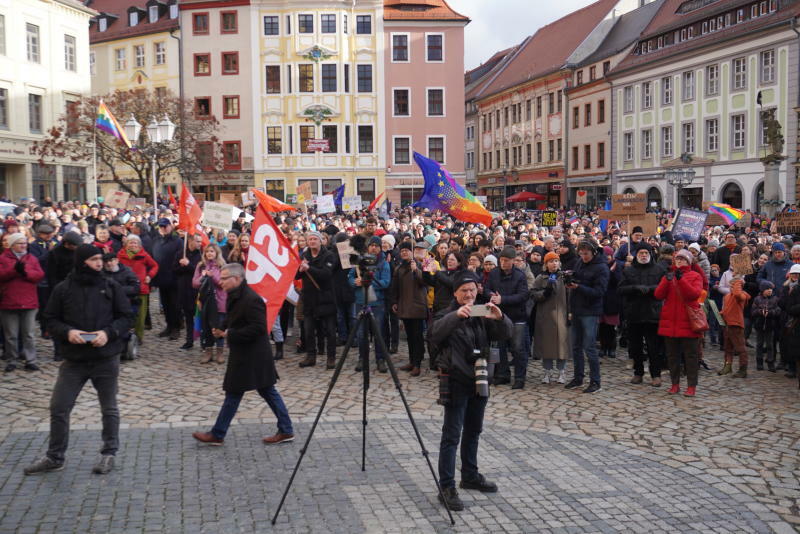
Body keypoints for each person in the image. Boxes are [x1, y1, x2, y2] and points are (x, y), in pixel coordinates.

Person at [25, 244, 132, 475]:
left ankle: (109, 453)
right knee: (59, 407)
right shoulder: (63, 289)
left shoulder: (111, 286)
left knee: (109, 408)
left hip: (105, 357)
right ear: (82, 261)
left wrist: (108, 333)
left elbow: (125, 318)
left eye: (100, 259)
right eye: (94, 259)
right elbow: (50, 319)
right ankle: (55, 456)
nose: (99, 263)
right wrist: (67, 333)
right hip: (74, 360)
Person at [430, 272, 512, 512]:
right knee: (451, 435)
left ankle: (470, 475)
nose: (469, 294)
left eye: (472, 290)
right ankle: (446, 486)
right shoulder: (446, 314)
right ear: (455, 293)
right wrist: (456, 316)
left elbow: (506, 334)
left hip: (480, 377)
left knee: (474, 430)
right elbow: (433, 335)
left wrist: (500, 317)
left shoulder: (481, 312)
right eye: (464, 290)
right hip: (456, 379)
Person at [192, 263, 294, 446]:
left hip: (254, 354)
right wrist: (221, 328)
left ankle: (218, 434)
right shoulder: (234, 295)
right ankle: (219, 433)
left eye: (224, 278)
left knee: (259, 391)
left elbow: (259, 328)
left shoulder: (251, 299)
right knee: (238, 392)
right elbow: (233, 317)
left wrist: (229, 334)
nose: (220, 281)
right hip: (243, 352)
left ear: (237, 279)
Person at [654, 248, 704, 397]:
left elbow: (694, 295)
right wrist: (666, 281)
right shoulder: (669, 275)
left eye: (683, 259)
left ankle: (691, 386)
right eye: (678, 259)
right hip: (671, 322)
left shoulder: (695, 276)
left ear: (688, 261)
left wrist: (681, 279)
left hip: (688, 322)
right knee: (672, 356)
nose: (679, 261)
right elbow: (658, 295)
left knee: (691, 356)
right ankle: (674, 384)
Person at [564, 240, 609, 394]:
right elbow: (577, 279)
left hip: (590, 311)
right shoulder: (579, 263)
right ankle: (578, 377)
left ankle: (596, 381)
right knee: (575, 346)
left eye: (586, 254)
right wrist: (570, 278)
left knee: (589, 347)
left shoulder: (601, 268)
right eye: (581, 254)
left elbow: (599, 292)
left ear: (593, 252)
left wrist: (579, 287)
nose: (583, 256)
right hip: (577, 309)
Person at [618, 243, 665, 386]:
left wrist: (650, 289)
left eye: (646, 253)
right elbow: (620, 289)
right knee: (635, 347)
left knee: (653, 347)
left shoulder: (659, 269)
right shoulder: (628, 270)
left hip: (653, 313)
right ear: (636, 255)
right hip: (634, 313)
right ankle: (638, 373)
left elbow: (664, 288)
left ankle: (655, 374)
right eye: (641, 253)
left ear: (650, 254)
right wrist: (635, 288)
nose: (644, 255)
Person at [483, 246, 530, 389]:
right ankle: (503, 375)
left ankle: (520, 378)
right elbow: (486, 289)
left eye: (506, 260)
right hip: (499, 316)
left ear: (513, 261)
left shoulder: (520, 275)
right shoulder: (494, 273)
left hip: (517, 317)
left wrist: (503, 299)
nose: (503, 263)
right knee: (500, 347)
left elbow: (523, 296)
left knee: (517, 348)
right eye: (501, 260)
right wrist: (491, 295)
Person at [0, 233, 45, 372]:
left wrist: (25, 272)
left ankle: (30, 360)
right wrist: (14, 270)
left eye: (25, 243)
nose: (23, 246)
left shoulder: (32, 258)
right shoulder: (3, 258)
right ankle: (12, 359)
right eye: (20, 243)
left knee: (29, 334)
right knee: (11, 335)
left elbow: (39, 275)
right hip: (9, 301)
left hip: (29, 301)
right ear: (12, 245)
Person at [347, 236, 391, 373]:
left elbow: (385, 282)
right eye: (371, 245)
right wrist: (355, 282)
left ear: (380, 247)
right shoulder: (360, 260)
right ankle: (362, 358)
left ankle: (380, 359)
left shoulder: (384, 263)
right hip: (361, 300)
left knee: (378, 332)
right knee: (361, 333)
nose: (374, 247)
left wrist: (369, 282)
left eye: (376, 245)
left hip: (377, 303)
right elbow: (350, 277)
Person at [296, 231, 337, 369]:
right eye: (310, 239)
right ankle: (310, 356)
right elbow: (296, 276)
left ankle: (331, 357)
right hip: (309, 298)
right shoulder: (305, 255)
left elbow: (326, 274)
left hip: (325, 297)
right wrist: (300, 269)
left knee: (330, 331)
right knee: (308, 330)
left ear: (321, 241)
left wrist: (309, 268)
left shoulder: (329, 255)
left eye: (315, 239)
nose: (312, 241)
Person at [390, 241, 429, 376]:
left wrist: (416, 270)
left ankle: (417, 364)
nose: (404, 253)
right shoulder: (399, 268)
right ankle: (412, 361)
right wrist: (394, 301)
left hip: (417, 307)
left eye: (407, 250)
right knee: (410, 337)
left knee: (417, 337)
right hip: (405, 307)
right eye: (402, 251)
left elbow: (425, 282)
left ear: (412, 251)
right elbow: (395, 287)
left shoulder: (420, 265)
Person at [531, 252, 569, 383]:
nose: (554, 263)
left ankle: (561, 372)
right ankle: (547, 372)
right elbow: (533, 294)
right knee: (546, 345)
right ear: (546, 264)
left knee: (561, 346)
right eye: (551, 261)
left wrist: (570, 313)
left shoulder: (564, 277)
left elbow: (571, 295)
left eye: (556, 261)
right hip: (545, 315)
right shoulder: (541, 278)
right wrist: (545, 293)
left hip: (561, 315)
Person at [117, 235, 158, 343]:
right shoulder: (120, 255)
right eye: (131, 242)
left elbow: (155, 266)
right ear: (126, 244)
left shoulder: (144, 255)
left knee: (140, 315)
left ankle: (138, 337)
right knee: (124, 313)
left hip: (141, 288)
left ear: (139, 245)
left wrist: (149, 276)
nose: (133, 244)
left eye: (135, 243)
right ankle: (124, 336)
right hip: (125, 289)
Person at [193, 243, 228, 364]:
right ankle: (208, 351)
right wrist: (202, 277)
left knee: (219, 326)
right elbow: (195, 283)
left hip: (219, 301)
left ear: (217, 253)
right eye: (207, 251)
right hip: (205, 301)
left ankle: (219, 352)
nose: (209, 254)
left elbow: (222, 283)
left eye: (212, 251)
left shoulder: (222, 266)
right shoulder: (201, 265)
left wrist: (212, 275)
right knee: (206, 327)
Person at [151, 218, 183, 340]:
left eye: (165, 226)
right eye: (161, 227)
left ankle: (176, 328)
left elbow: (179, 259)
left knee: (175, 305)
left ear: (171, 226)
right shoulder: (156, 241)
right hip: (161, 277)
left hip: (174, 278)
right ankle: (169, 326)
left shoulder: (178, 241)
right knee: (165, 305)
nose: (163, 228)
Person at [174, 234, 203, 350]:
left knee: (200, 316)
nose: (200, 244)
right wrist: (181, 266)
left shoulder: (201, 255)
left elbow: (200, 271)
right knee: (188, 316)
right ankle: (189, 340)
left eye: (200, 241)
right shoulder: (181, 253)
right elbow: (174, 270)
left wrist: (188, 265)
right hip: (184, 289)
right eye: (197, 241)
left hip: (197, 290)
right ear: (190, 241)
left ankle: (204, 341)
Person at [719, 278, 750, 377]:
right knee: (728, 347)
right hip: (727, 324)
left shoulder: (742, 295)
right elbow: (727, 309)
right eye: (731, 286)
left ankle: (743, 370)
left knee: (740, 348)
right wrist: (720, 313)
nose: (732, 288)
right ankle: (728, 366)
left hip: (736, 324)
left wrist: (738, 280)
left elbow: (737, 294)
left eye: (734, 286)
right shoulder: (727, 296)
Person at [751, 280, 780, 372]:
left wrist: (770, 313)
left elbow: (778, 311)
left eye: (771, 289)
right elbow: (753, 312)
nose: (770, 290)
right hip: (759, 325)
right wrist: (760, 312)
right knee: (759, 344)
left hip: (770, 326)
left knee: (770, 345)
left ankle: (770, 363)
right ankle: (759, 362)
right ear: (763, 290)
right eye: (767, 289)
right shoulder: (757, 299)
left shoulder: (775, 299)